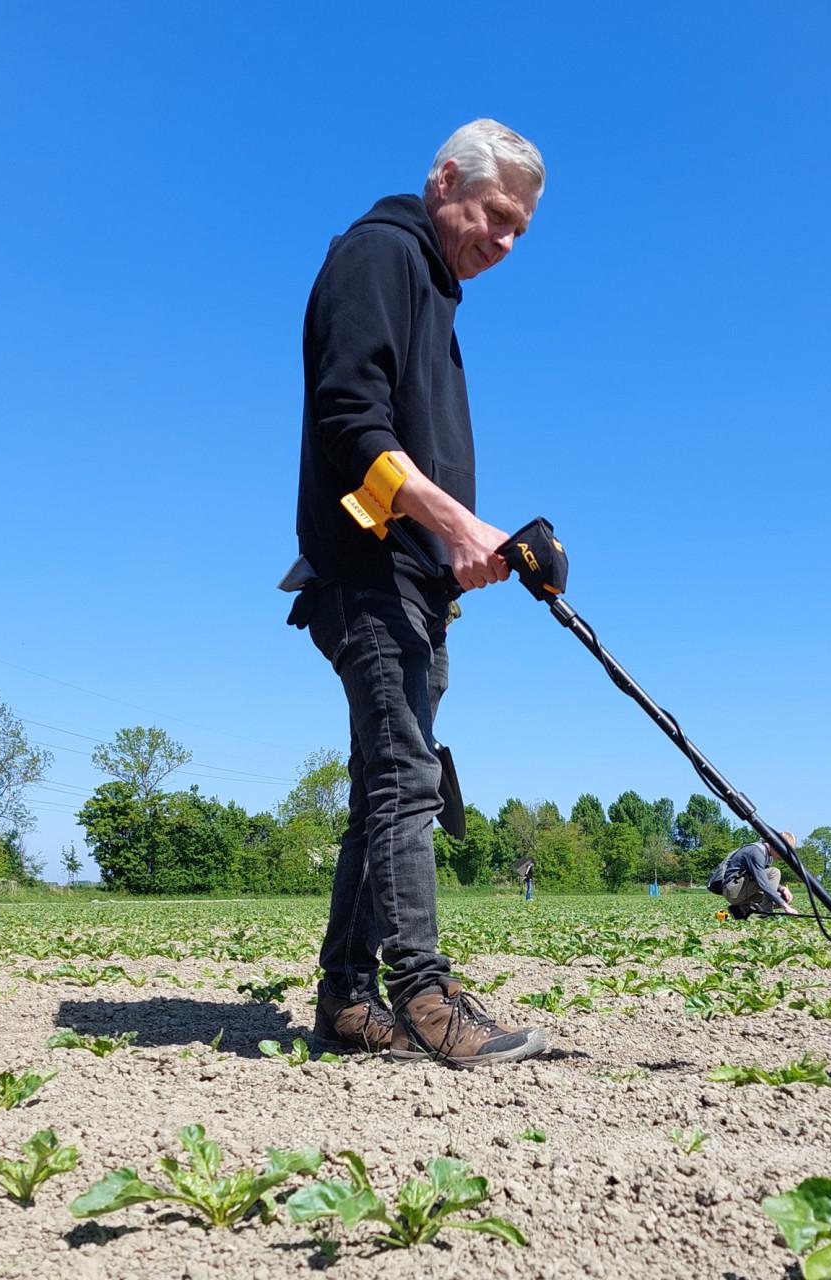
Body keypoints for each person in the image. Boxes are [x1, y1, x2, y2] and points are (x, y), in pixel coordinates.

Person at [290, 120, 547, 1068]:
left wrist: (464, 553)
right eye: (497, 216)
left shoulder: (436, 296)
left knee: (384, 785)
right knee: (407, 776)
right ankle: (424, 994)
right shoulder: (377, 255)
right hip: (363, 571)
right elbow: (348, 422)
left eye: (521, 231)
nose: (505, 242)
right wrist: (455, 525)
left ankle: (348, 1002)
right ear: (445, 180)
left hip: (412, 579)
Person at [721, 832, 801, 918]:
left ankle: (740, 909)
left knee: (783, 897)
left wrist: (781, 888)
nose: (783, 857)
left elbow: (762, 879)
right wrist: (786, 907)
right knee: (774, 872)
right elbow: (763, 884)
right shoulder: (756, 851)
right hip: (732, 889)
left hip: (739, 890)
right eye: (783, 852)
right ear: (776, 845)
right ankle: (766, 913)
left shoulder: (767, 855)